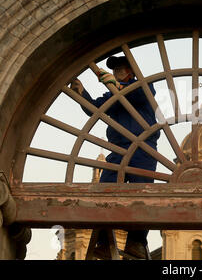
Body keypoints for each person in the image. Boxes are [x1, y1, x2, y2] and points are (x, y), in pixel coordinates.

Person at [70, 56, 160, 259]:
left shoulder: (143, 86)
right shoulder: (113, 92)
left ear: (131, 71)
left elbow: (135, 95)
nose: (118, 70)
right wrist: (81, 92)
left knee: (140, 193)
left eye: (121, 68)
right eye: (116, 69)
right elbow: (95, 108)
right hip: (118, 149)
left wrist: (116, 85)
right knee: (105, 189)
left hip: (143, 147)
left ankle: (136, 243)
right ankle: (103, 242)